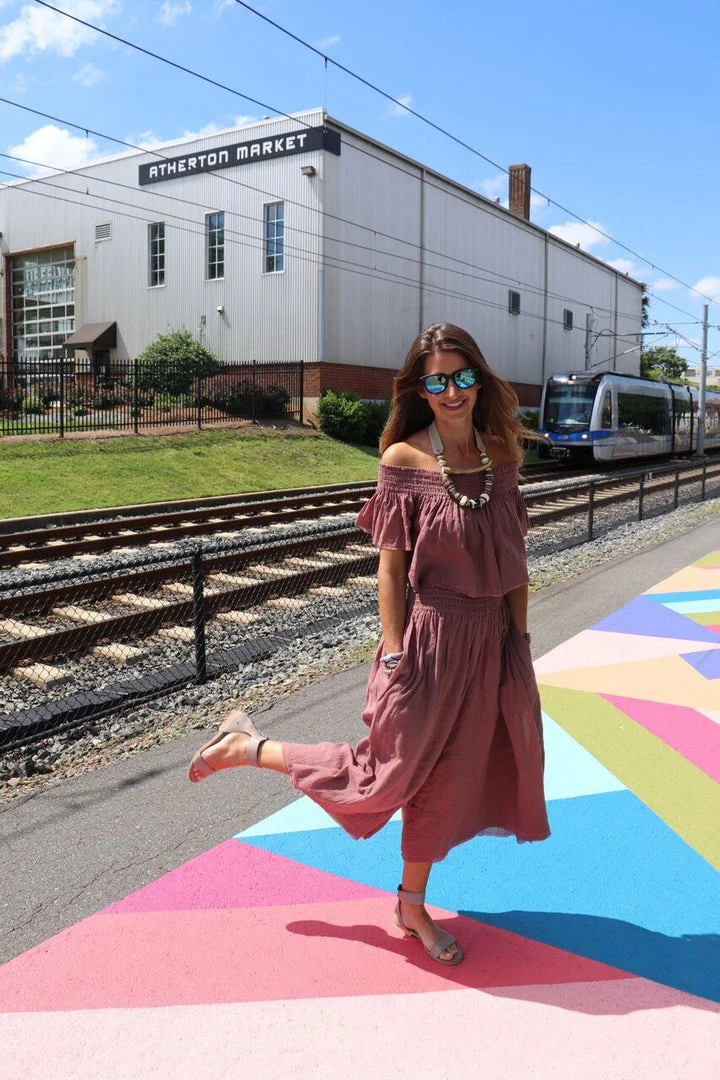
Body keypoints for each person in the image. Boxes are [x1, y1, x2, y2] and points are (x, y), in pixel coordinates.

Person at [188, 322, 550, 966]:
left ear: (480, 379)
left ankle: (411, 906)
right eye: (436, 380)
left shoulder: (502, 455)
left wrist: (518, 644)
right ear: (419, 388)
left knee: (449, 781)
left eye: (462, 376)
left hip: (491, 640)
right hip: (429, 641)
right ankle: (249, 746)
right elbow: (390, 568)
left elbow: (515, 559)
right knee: (385, 778)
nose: (452, 391)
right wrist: (393, 650)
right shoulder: (404, 461)